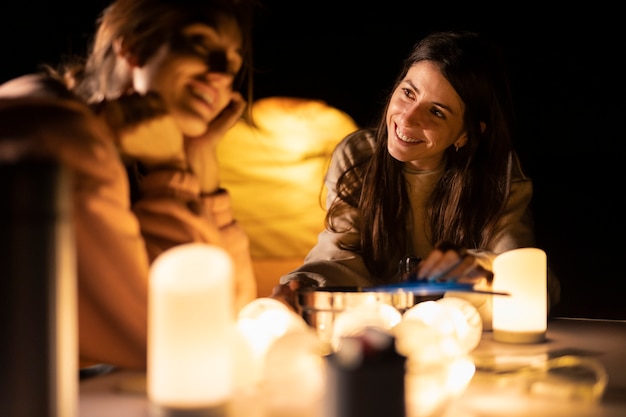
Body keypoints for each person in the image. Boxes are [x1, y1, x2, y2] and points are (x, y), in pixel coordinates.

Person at [0, 0, 258, 370]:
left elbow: (236, 316)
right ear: (133, 44)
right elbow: (184, 340)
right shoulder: (61, 140)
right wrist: (171, 174)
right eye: (200, 44)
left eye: (232, 65)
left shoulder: (120, 150)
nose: (221, 73)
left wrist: (200, 165)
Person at [272, 31, 560, 324]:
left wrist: (478, 267)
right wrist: (301, 287)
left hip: (459, 337)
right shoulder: (359, 156)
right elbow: (343, 258)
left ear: (466, 133)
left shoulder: (498, 173)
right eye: (408, 93)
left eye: (436, 112)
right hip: (377, 335)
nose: (408, 118)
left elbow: (537, 286)